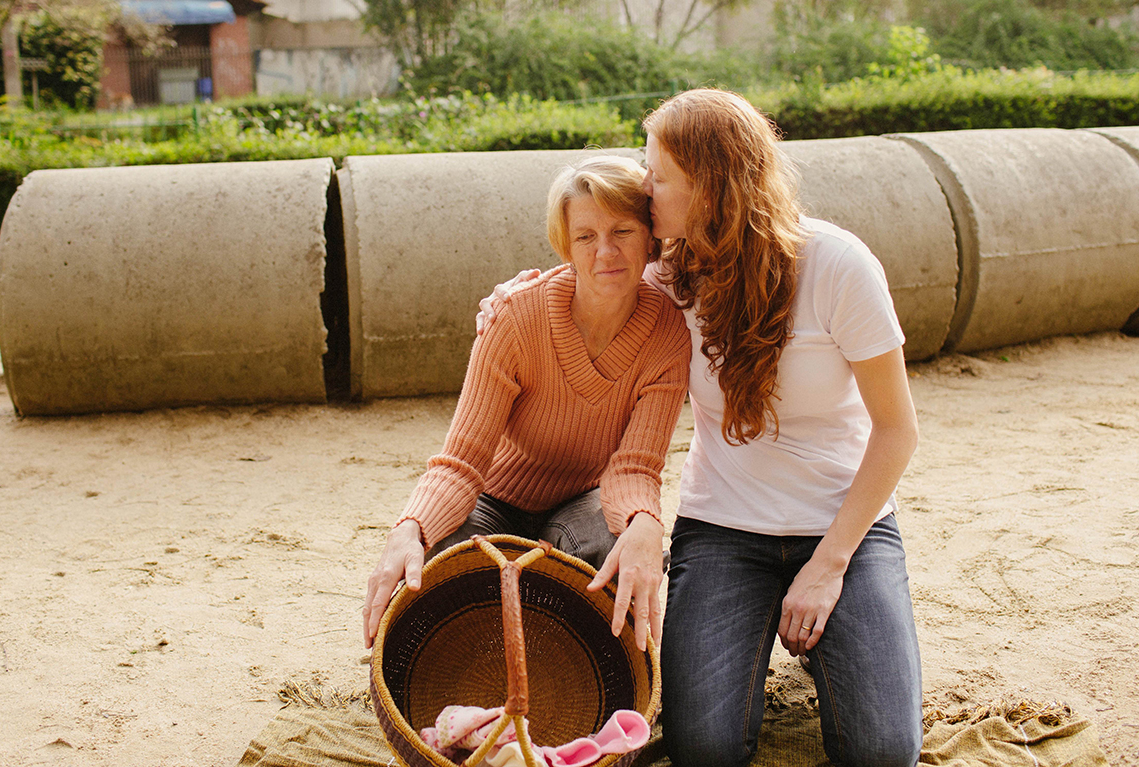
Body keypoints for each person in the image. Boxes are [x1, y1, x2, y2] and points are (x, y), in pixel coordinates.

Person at [478, 89, 923, 767]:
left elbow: (897, 431)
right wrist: (516, 293)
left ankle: (839, 643)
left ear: (709, 186)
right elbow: (591, 278)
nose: (645, 189)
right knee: (705, 748)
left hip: (844, 530)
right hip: (724, 531)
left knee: (882, 751)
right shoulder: (671, 275)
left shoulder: (839, 266)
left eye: (658, 176)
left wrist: (828, 567)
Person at [361, 155, 691, 655]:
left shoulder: (668, 332)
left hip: (583, 500)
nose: (605, 251)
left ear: (651, 237)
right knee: (441, 552)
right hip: (494, 498)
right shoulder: (516, 317)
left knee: (617, 541)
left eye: (623, 230)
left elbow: (634, 469)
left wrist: (646, 522)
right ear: (566, 246)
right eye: (585, 236)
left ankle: (600, 679)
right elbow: (462, 462)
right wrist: (410, 528)